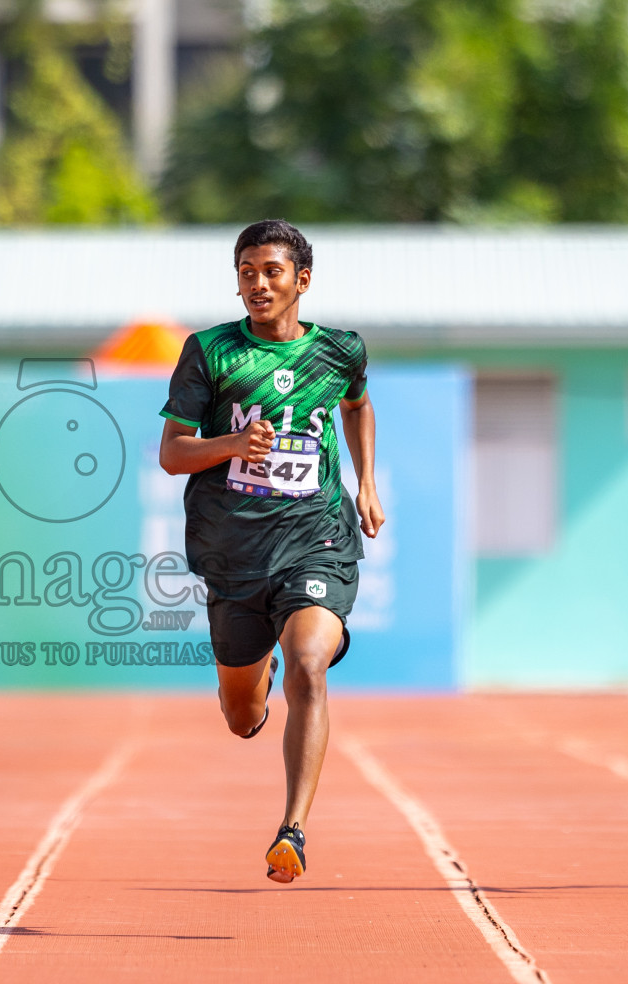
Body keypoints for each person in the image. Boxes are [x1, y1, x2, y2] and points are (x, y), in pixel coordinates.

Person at [158, 219, 383, 882]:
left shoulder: (340, 350)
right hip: (233, 548)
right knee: (242, 714)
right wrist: (230, 444)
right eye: (247, 271)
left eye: (272, 272)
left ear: (301, 281)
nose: (258, 283)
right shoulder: (211, 352)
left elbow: (357, 404)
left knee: (308, 662)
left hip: (317, 536)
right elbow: (173, 452)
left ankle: (294, 830)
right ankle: (250, 694)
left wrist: (366, 481)